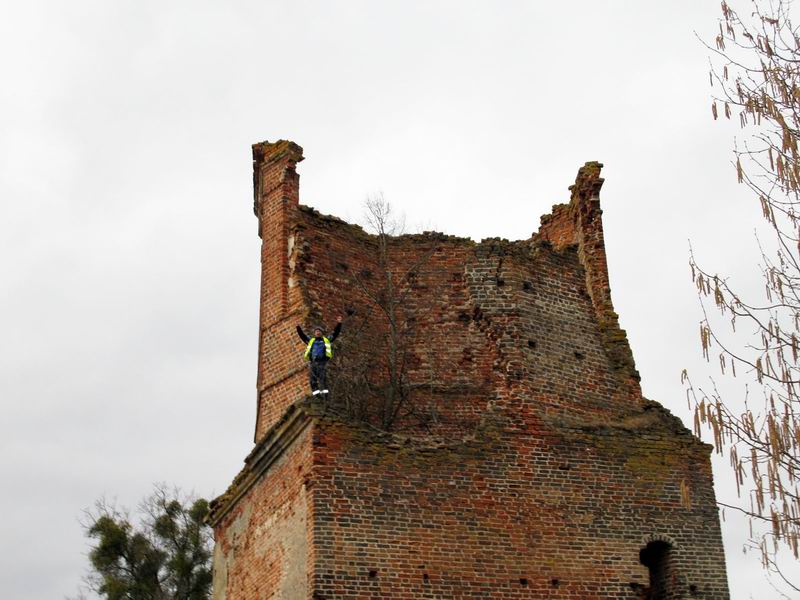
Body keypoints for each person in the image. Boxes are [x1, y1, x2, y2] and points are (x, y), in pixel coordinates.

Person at [296, 316, 342, 396]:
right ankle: (316, 394)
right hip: (313, 362)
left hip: (322, 362)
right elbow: (302, 336)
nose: (317, 332)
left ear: (321, 333)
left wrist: (339, 324)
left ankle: (325, 394)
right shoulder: (311, 341)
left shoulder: (326, 340)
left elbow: (335, 333)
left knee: (322, 377)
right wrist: (298, 327)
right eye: (316, 331)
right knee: (312, 379)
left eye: (319, 331)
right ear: (314, 333)